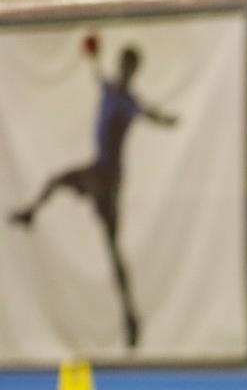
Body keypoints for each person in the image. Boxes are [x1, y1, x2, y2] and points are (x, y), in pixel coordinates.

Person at [9, 39, 178, 348]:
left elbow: (150, 113)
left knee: (113, 250)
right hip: (97, 170)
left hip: (108, 179)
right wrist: (90, 54)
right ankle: (31, 213)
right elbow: (96, 71)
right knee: (57, 181)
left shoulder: (128, 100)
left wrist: (167, 119)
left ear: (135, 70)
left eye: (130, 67)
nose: (125, 71)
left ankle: (131, 316)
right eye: (124, 65)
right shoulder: (110, 90)